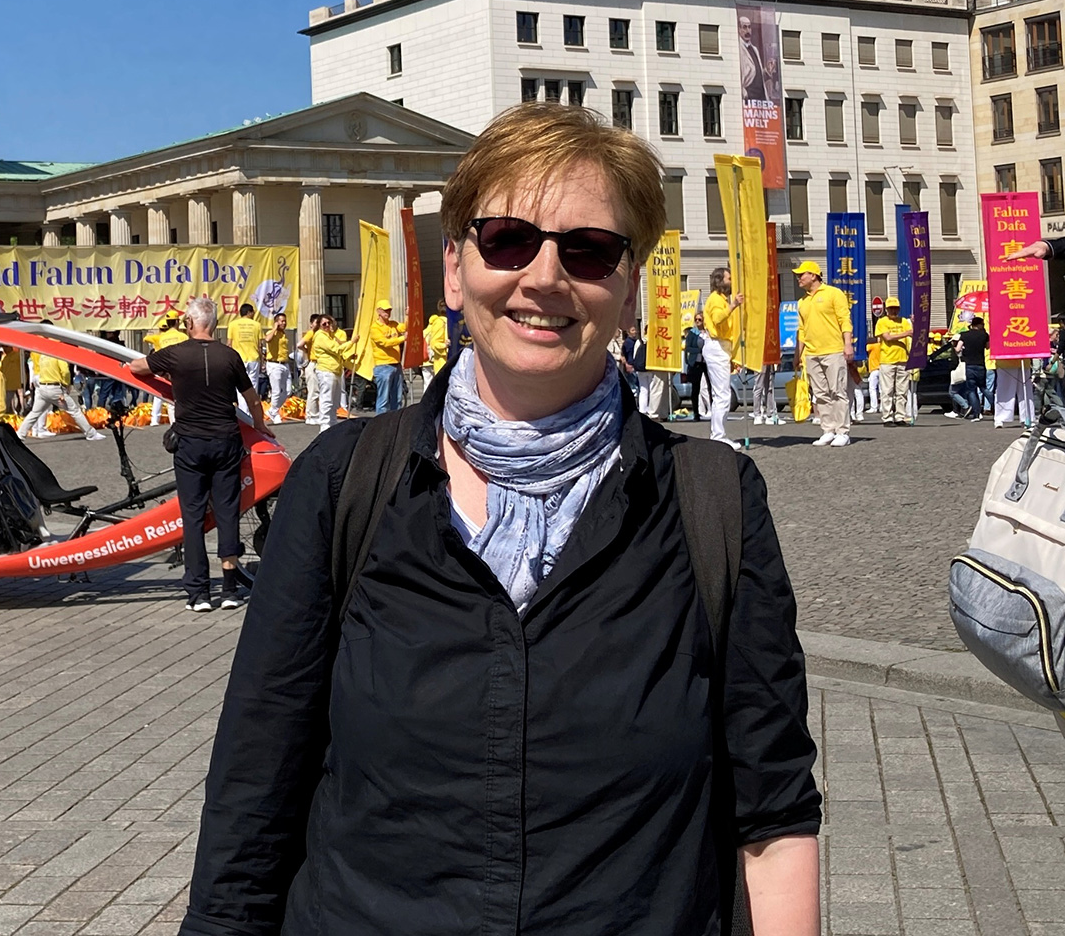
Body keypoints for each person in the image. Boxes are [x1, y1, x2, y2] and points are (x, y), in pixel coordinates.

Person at [182, 101, 821, 936]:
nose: (545, 276)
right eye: (508, 239)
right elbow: (254, 788)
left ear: (629, 285)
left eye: (589, 250)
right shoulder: (344, 483)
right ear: (454, 268)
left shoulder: (713, 501)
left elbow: (773, 810)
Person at [131, 298, 267, 612]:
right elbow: (252, 399)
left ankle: (199, 593)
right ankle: (230, 589)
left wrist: (166, 377)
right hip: (225, 442)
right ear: (215, 324)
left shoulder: (175, 353)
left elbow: (136, 367)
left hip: (190, 443)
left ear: (190, 323)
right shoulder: (229, 356)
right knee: (227, 512)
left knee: (192, 516)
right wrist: (260, 426)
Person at [793, 260, 853, 447]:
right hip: (811, 354)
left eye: (801, 274)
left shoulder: (833, 293)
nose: (798, 278)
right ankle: (828, 430)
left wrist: (848, 344)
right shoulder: (802, 302)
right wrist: (797, 354)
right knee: (820, 394)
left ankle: (843, 431)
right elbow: (801, 330)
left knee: (838, 391)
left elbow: (844, 319)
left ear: (813, 275)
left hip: (833, 350)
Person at [17, 322, 105, 441]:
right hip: (55, 389)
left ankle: (20, 434)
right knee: (74, 411)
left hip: (43, 387)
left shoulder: (44, 354)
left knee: (35, 413)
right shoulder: (57, 355)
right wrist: (66, 385)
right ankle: (90, 433)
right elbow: (65, 372)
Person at [703, 267, 745, 450]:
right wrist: (733, 305)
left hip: (721, 346)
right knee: (722, 394)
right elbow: (718, 318)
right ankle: (718, 435)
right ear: (720, 281)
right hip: (717, 345)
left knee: (720, 393)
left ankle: (718, 433)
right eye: (729, 278)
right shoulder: (715, 299)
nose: (731, 281)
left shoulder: (720, 299)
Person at [870, 297, 913, 426]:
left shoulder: (904, 321)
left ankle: (900, 416)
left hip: (903, 359)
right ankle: (887, 417)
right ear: (886, 310)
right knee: (887, 391)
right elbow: (887, 337)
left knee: (902, 391)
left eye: (895, 308)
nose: (893, 311)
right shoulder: (882, 322)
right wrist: (906, 333)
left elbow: (912, 335)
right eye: (891, 308)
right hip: (887, 360)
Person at [307, 315, 354, 432]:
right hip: (326, 370)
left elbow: (339, 351)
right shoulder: (320, 336)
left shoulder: (330, 336)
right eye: (324, 324)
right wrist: (352, 342)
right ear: (319, 326)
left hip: (335, 370)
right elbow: (336, 349)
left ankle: (332, 423)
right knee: (327, 399)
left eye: (329, 323)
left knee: (335, 400)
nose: (327, 325)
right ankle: (324, 425)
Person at [147, 311, 187, 426]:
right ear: (177, 322)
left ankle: (172, 424)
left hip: (167, 372)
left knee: (167, 398)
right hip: (182, 372)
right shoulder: (183, 337)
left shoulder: (162, 338)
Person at [369, 299, 406, 414]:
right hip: (383, 365)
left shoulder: (393, 324)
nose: (388, 312)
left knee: (398, 399)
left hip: (396, 364)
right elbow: (385, 343)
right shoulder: (374, 328)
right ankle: (380, 422)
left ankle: (395, 421)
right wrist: (403, 338)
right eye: (385, 310)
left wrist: (408, 315)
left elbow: (404, 328)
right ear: (378, 311)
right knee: (383, 400)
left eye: (389, 310)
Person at [954, 316, 989, 421]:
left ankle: (977, 413)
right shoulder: (984, 335)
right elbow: (988, 347)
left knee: (971, 390)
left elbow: (957, 349)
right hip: (981, 365)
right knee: (983, 388)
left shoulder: (964, 335)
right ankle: (996, 406)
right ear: (979, 325)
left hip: (969, 365)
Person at [227, 304, 264, 397]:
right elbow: (260, 345)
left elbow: (229, 344)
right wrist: (262, 360)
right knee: (253, 385)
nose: (254, 314)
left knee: (239, 386)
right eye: (253, 312)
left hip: (238, 359)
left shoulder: (232, 324)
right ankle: (251, 405)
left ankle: (242, 406)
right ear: (249, 312)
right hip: (253, 359)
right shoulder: (257, 325)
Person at [263, 313, 290, 424]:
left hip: (285, 363)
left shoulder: (283, 334)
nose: (284, 323)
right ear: (276, 322)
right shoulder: (271, 332)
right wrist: (274, 328)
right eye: (281, 321)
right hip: (274, 364)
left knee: (288, 391)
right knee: (276, 390)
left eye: (285, 321)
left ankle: (273, 410)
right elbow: (267, 339)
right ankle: (274, 412)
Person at [622, 321, 653, 416]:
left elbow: (634, 355)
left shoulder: (639, 341)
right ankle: (650, 409)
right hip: (651, 367)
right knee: (651, 389)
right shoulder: (654, 341)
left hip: (639, 368)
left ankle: (642, 409)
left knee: (643, 389)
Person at [682, 310, 707, 421]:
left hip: (707, 363)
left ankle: (712, 410)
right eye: (696, 319)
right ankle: (696, 413)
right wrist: (700, 350)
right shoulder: (692, 333)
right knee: (695, 389)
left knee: (710, 387)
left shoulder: (708, 332)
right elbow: (688, 348)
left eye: (699, 319)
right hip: (696, 363)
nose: (697, 321)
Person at [422, 299, 449, 395]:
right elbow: (435, 343)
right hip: (443, 362)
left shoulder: (450, 321)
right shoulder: (440, 322)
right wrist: (445, 346)